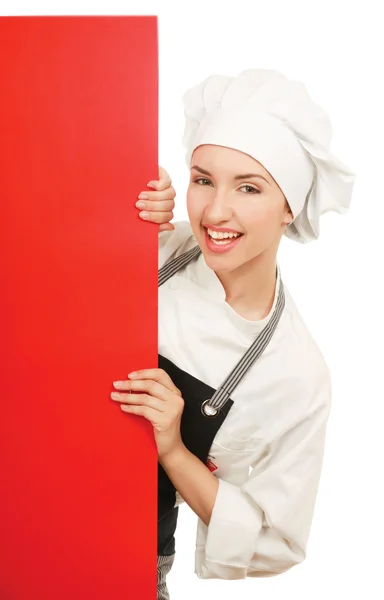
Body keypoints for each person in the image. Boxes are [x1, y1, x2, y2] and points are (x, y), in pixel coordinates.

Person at [109, 69, 355, 599]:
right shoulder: (151, 248)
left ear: (290, 205)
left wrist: (173, 449)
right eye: (203, 180)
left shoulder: (296, 374)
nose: (215, 211)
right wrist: (119, 196)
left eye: (248, 187)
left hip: (121, 560)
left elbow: (273, 539)